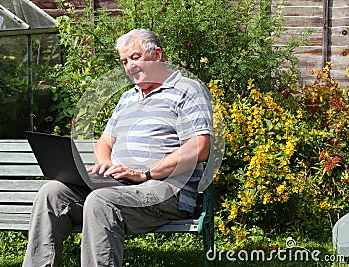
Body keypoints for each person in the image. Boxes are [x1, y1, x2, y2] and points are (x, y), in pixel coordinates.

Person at [22, 28, 213, 267]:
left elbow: (200, 147)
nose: (130, 66)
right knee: (52, 193)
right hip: (120, 186)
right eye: (124, 61)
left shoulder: (187, 90)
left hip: (164, 189)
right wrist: (106, 165)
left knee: (101, 201)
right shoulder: (127, 98)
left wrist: (145, 173)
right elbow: (104, 142)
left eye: (135, 57)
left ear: (157, 55)